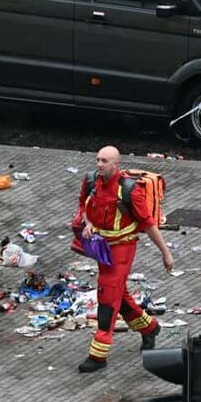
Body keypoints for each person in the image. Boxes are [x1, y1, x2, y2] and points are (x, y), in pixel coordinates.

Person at [75, 145, 175, 373]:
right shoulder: (91, 181)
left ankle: (98, 355)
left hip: (122, 248)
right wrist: (88, 223)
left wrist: (166, 253)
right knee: (118, 294)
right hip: (101, 248)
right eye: (98, 160)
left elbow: (148, 224)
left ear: (115, 164)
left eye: (104, 161)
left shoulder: (129, 190)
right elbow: (82, 205)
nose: (99, 165)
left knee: (107, 295)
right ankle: (149, 328)